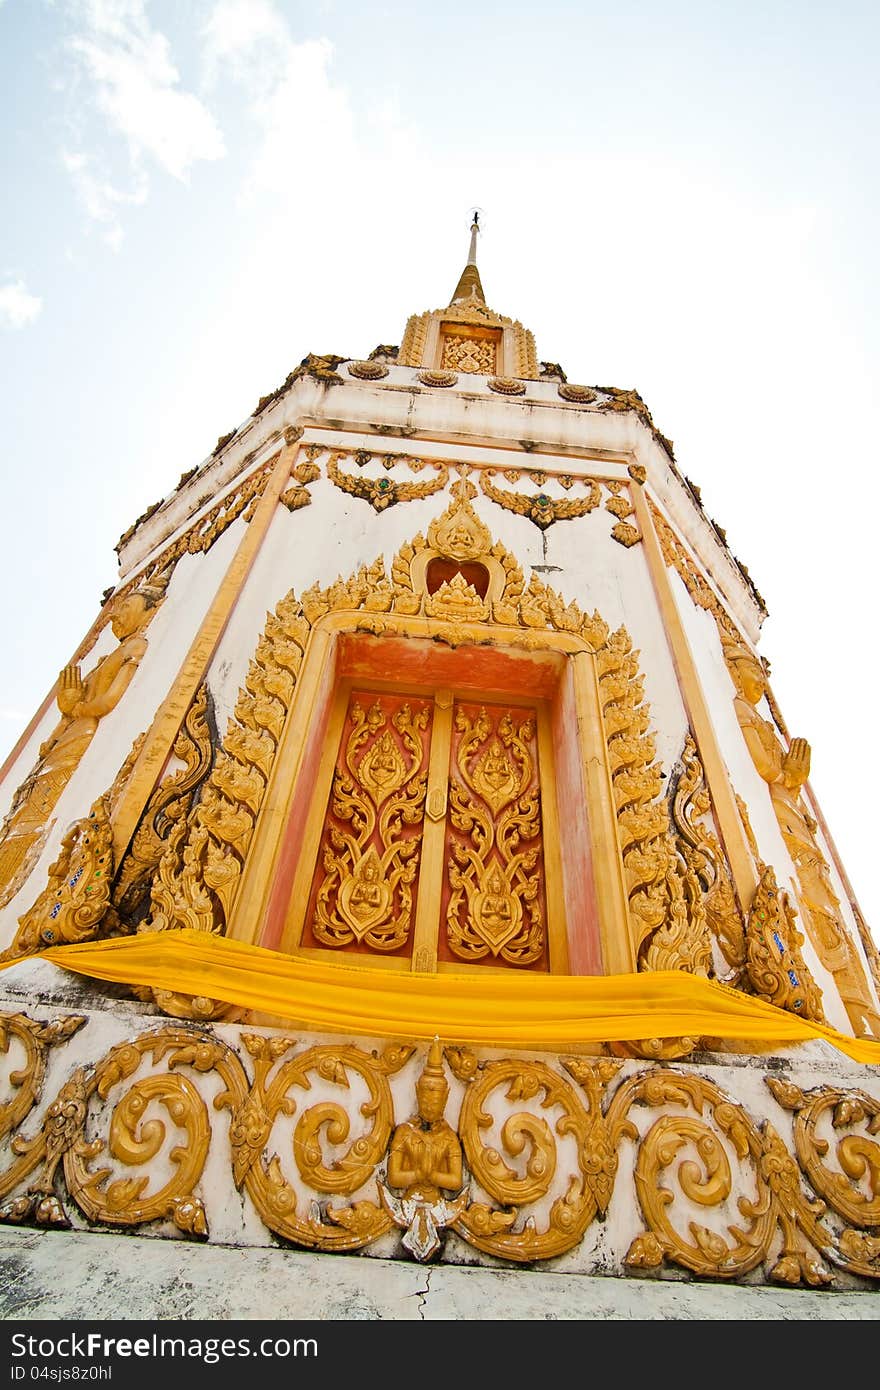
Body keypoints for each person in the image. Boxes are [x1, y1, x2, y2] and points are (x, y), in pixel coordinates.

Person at [723, 634, 880, 1037]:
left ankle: (859, 1012)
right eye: (753, 672)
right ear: (737, 674)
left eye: (761, 673)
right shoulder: (741, 709)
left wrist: (791, 780)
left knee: (823, 901)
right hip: (781, 806)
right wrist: (786, 776)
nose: (760, 681)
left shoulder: (758, 718)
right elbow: (765, 766)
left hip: (791, 813)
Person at [0, 573, 169, 909]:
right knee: (26, 807)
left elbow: (107, 701)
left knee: (42, 808)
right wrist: (61, 720)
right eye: (117, 607)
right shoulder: (108, 656)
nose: (117, 616)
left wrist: (75, 707)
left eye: (128, 606)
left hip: (84, 732)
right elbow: (71, 704)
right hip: (67, 737)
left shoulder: (135, 647)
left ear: (150, 610)